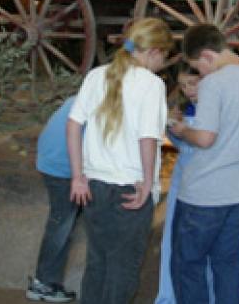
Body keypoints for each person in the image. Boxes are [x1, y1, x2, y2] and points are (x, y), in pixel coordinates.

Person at [67, 17, 173, 304]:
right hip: (130, 187)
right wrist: (148, 183)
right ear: (153, 52)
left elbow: (73, 125)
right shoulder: (151, 84)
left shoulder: (96, 75)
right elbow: (147, 138)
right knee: (123, 268)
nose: (162, 64)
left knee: (98, 261)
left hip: (93, 186)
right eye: (163, 57)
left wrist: (77, 176)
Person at [167, 24, 239, 304]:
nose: (200, 75)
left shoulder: (215, 83)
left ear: (207, 56)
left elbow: (204, 138)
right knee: (227, 262)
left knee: (188, 263)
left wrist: (181, 131)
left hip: (207, 193)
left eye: (197, 67)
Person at [156, 68, 215, 304]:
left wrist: (185, 131)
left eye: (193, 83)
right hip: (184, 178)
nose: (188, 90)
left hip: (206, 180)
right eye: (183, 85)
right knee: (175, 237)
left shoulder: (214, 109)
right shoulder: (190, 108)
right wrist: (176, 129)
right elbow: (183, 144)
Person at [26, 94, 82, 303]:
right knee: (61, 225)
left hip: (51, 160)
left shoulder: (83, 95)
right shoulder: (100, 100)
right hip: (61, 166)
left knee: (61, 222)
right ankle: (44, 283)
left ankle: (47, 281)